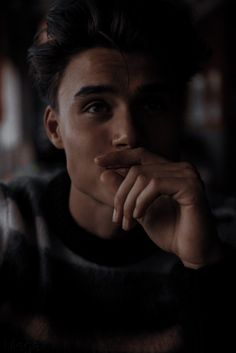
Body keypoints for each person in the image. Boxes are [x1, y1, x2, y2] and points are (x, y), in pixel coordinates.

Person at [0, 0, 236, 352]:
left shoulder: (223, 232)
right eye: (96, 106)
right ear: (55, 129)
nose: (129, 133)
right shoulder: (11, 221)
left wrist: (203, 265)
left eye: (152, 104)